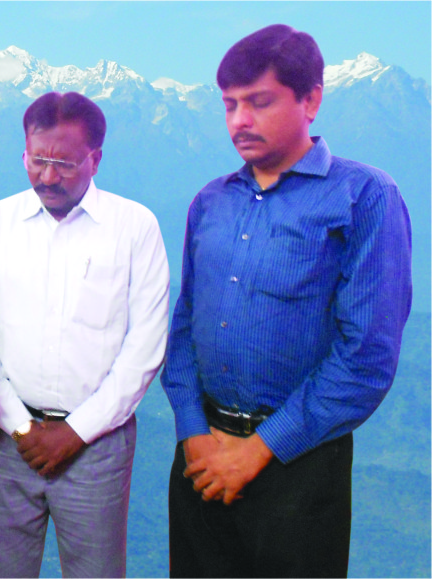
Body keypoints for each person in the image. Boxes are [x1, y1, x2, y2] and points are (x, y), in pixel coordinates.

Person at [160, 24, 412, 578]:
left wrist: (258, 450)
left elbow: (367, 356)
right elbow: (183, 326)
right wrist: (191, 431)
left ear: (311, 100)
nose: (239, 120)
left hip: (301, 466)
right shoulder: (211, 203)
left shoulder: (364, 197)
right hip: (201, 457)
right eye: (229, 104)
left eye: (259, 102)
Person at [0, 91, 171, 578]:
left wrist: (77, 432)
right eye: (37, 161)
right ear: (24, 153)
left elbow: (144, 348)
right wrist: (19, 426)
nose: (48, 177)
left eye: (65, 164)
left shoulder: (134, 227)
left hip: (98, 445)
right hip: (8, 440)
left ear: (96, 159)